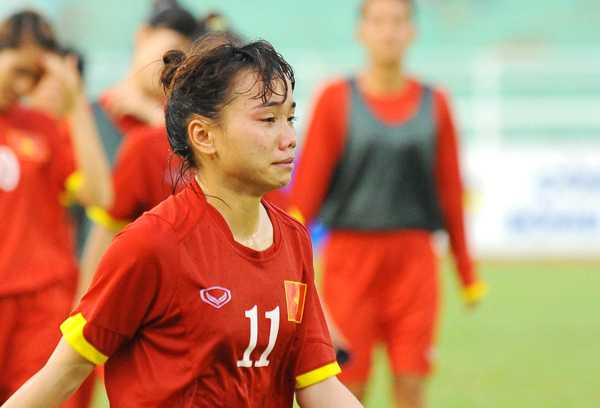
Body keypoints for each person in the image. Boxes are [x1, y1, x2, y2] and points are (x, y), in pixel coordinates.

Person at [2, 38, 363, 407]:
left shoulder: (293, 239)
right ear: (203, 136)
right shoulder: (152, 243)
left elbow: (319, 384)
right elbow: (63, 373)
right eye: (268, 119)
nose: (289, 139)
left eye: (290, 118)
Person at [290, 0, 487, 406]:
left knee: (412, 385)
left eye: (397, 22)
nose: (388, 32)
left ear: (412, 31)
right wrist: (281, 265)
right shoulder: (335, 99)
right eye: (378, 22)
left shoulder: (436, 103)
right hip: (350, 263)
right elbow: (303, 197)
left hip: (415, 263)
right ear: (361, 31)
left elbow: (451, 192)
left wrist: (466, 272)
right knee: (347, 387)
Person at [0, 10, 111, 406]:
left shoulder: (41, 127)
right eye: (18, 70)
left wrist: (75, 101)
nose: (24, 86)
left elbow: (100, 195)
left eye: (35, 77)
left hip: (40, 302)